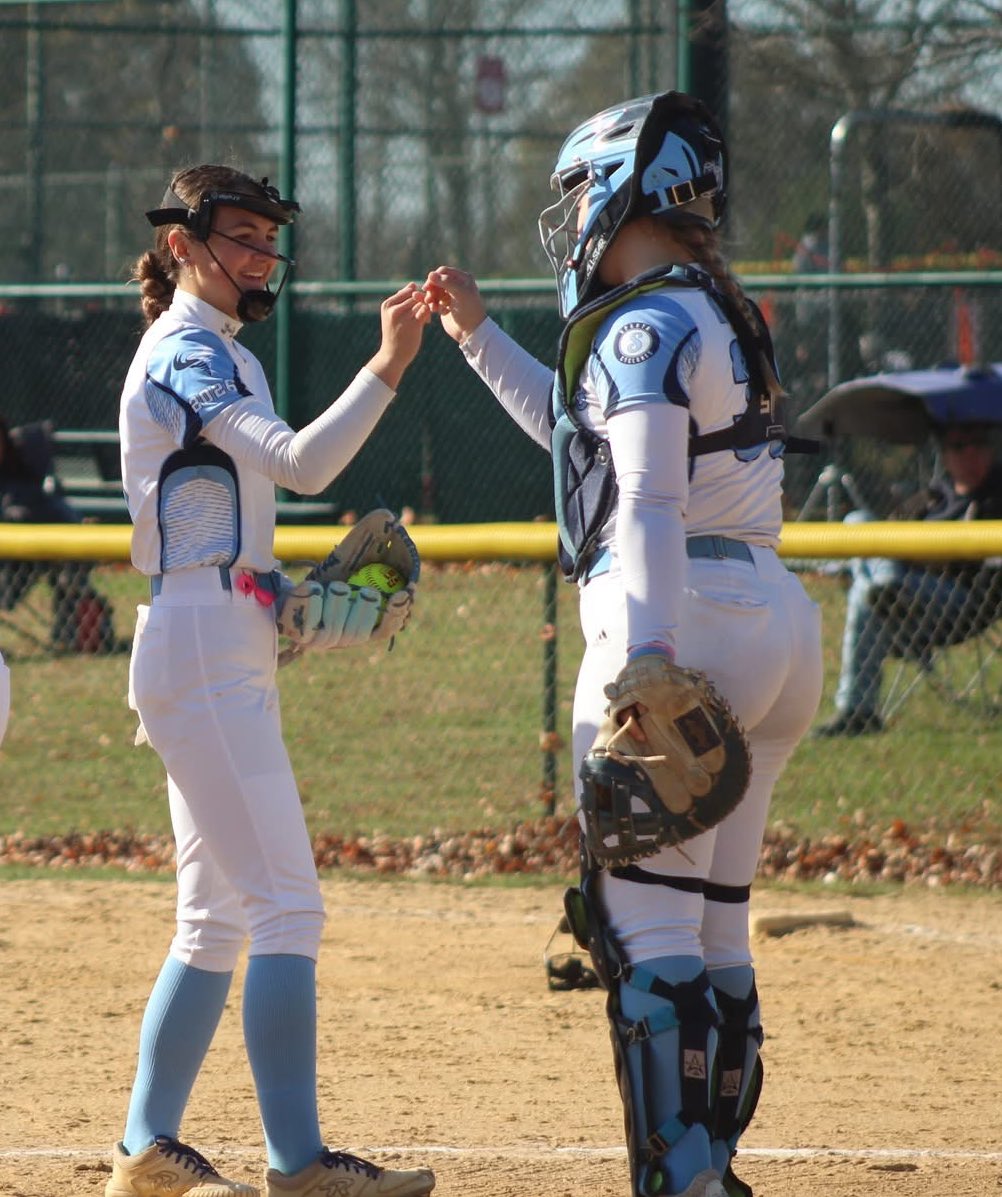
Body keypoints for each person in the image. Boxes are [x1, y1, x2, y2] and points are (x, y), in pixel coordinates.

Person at [424, 92, 823, 1197]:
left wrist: (647, 660)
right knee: (717, 929)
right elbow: (587, 443)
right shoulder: (711, 308)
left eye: (575, 193)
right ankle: (718, 1167)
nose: (568, 220)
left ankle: (680, 1181)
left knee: (642, 937)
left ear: (620, 192)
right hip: (773, 620)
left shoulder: (641, 320)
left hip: (680, 610)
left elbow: (642, 498)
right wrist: (474, 335)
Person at [108, 165, 435, 1197]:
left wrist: (277, 592)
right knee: (287, 907)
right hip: (199, 645)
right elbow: (300, 466)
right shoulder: (186, 352)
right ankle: (299, 1166)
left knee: (219, 918)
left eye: (266, 239)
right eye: (237, 237)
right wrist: (388, 365)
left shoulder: (224, 355)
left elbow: (221, 522)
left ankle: (147, 1154)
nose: (258, 257)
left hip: (217, 633)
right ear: (180, 247)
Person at [814, 420, 1002, 736]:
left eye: (978, 443)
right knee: (857, 522)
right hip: (906, 593)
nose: (970, 453)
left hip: (957, 601)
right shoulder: (935, 496)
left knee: (867, 590)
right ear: (944, 455)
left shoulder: (995, 497)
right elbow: (890, 531)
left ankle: (857, 712)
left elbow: (978, 567)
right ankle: (886, 586)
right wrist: (904, 555)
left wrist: (926, 554)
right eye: (958, 446)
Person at [0, 416, 119, 653]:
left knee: (71, 583)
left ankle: (79, 634)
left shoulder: (26, 478)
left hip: (44, 551)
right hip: (11, 561)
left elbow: (62, 517)